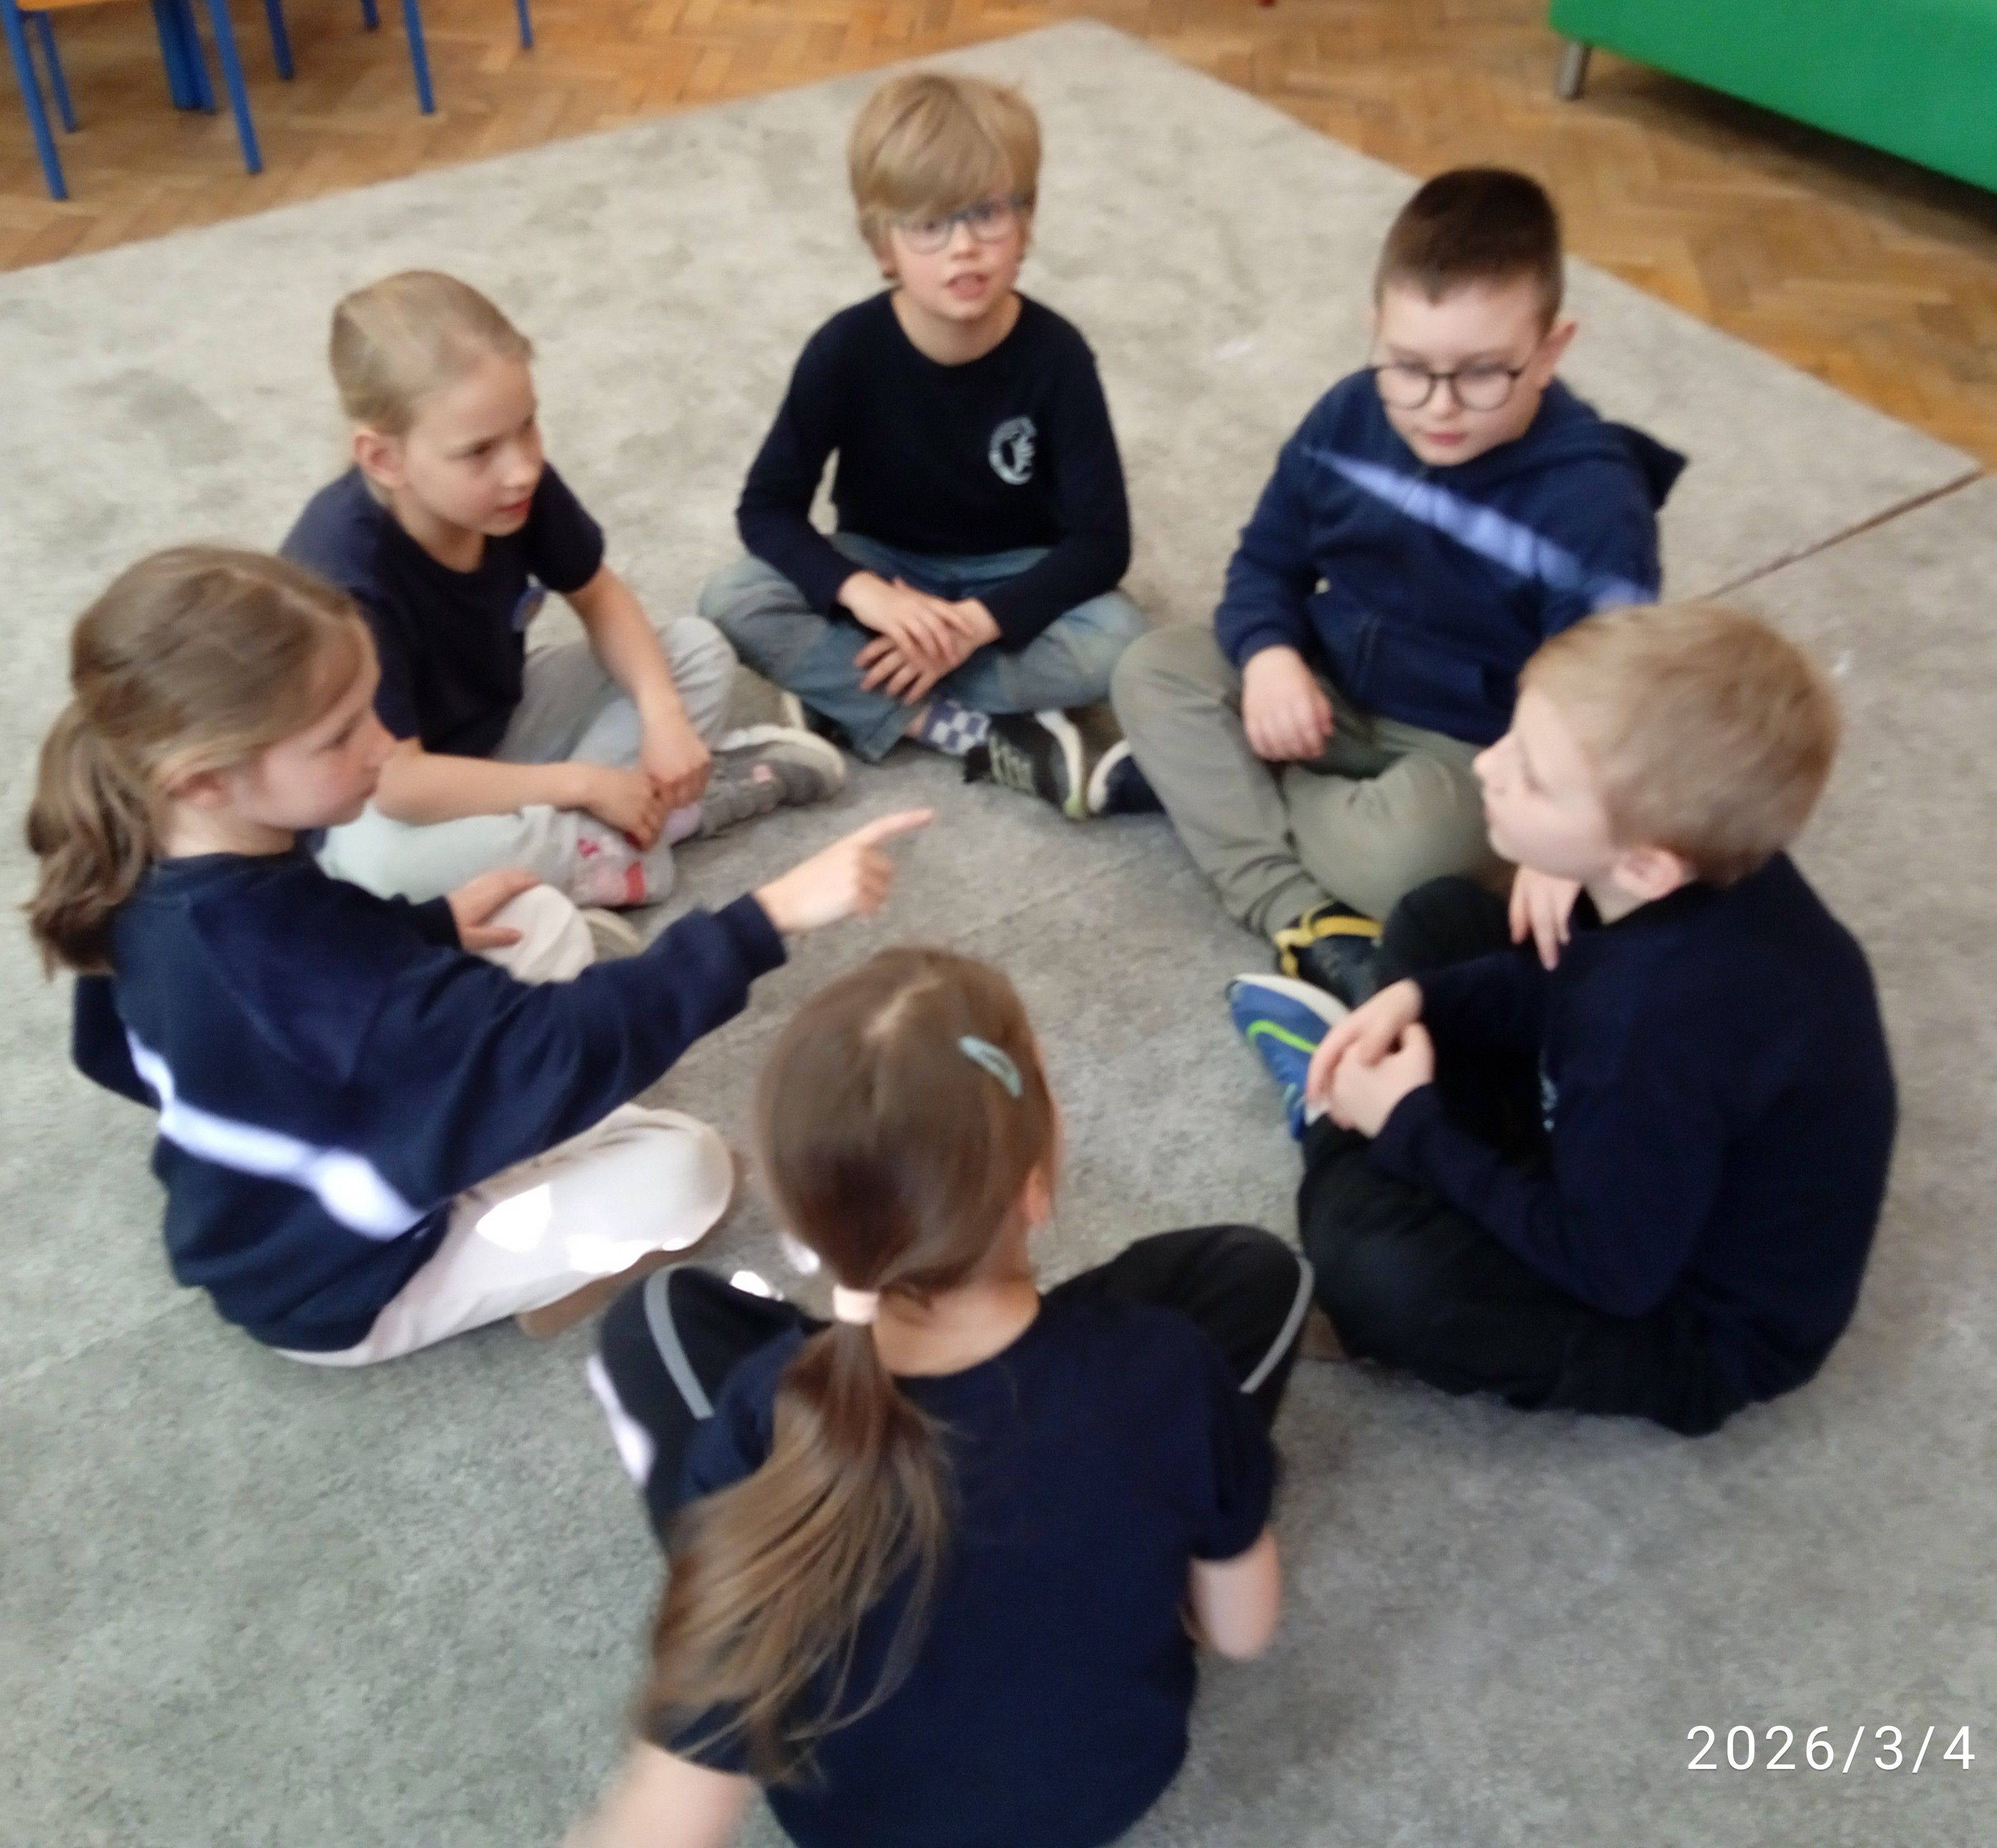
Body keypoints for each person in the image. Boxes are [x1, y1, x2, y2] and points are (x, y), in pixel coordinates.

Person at [25, 546, 929, 1364]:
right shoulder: (297, 968)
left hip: (325, 1143)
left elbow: (119, 1050)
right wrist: (770, 914)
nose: (384, 746)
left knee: (531, 913)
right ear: (204, 776)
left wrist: (421, 936)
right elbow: (549, 1045)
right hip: (343, 1281)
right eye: (339, 735)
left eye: (369, 707)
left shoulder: (148, 846)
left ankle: (495, 1122)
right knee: (689, 1169)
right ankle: (521, 1212)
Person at [571, 947, 1312, 1848]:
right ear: (1032, 1186)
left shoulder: (763, 1409)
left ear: (804, 1222)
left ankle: (784, 1540)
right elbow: (1239, 1633)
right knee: (1251, 1274)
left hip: (856, 1826)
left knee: (654, 1320)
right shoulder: (1165, 1366)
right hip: (1108, 1784)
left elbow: (668, 1813)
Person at [1225, 602, 1896, 1435]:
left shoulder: (1650, 1026)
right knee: (1438, 919)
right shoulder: (1703, 880)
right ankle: (1361, 1073)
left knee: (1379, 1273)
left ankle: (1329, 1101)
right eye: (1510, 735)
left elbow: (1611, 1273)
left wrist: (1407, 1124)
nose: (1486, 765)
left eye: (1532, 777)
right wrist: (1422, 999)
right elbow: (1570, 985)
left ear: (1644, 866)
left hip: (1677, 1320)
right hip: (1624, 1147)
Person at [1111, 167, 1686, 1002]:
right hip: (1325, 689)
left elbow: (1600, 698)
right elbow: (1265, 563)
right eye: (1407, 366)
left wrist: (1563, 836)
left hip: (1468, 749)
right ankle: (1295, 908)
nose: (1438, 407)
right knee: (1153, 669)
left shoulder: (1592, 506)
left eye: (1482, 373)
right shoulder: (1346, 416)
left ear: (1549, 351)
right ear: (1374, 330)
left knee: (1407, 864)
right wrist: (1269, 657)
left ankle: (1222, 798)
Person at [282, 270, 844, 909]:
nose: (522, 468)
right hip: (387, 796)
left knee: (695, 650)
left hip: (499, 731)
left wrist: (662, 717)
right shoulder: (343, 577)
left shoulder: (513, 491)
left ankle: (586, 857)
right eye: (479, 451)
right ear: (384, 459)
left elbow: (599, 595)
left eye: (528, 426)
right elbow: (399, 784)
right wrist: (582, 784)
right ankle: (654, 826)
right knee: (378, 872)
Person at [700, 70, 1147, 818]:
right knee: (731, 598)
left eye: (987, 214)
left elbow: (1101, 543)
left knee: (1120, 644)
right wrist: (864, 594)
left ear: (1026, 223)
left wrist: (972, 626)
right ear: (883, 246)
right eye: (929, 225)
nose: (963, 248)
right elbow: (766, 508)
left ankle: (847, 693)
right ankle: (947, 722)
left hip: (1010, 572)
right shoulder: (843, 350)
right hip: (884, 566)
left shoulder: (1058, 356)